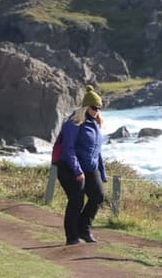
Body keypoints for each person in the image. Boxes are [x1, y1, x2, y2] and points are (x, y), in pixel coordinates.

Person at [56, 85, 108, 245]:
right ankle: (72, 237)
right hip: (69, 168)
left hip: (90, 168)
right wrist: (78, 171)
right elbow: (68, 149)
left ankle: (84, 229)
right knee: (76, 200)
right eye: (94, 107)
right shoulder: (74, 123)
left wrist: (102, 172)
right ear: (86, 107)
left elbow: (97, 151)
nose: (97, 110)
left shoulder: (96, 125)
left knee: (98, 196)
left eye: (99, 107)